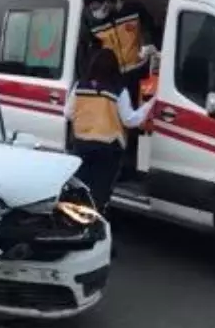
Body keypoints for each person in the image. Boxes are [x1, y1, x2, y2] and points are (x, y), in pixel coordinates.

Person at [64, 48, 156, 216]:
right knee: (99, 194)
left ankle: (77, 224)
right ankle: (96, 225)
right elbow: (130, 120)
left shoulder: (79, 86)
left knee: (81, 190)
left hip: (82, 145)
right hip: (108, 150)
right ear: (114, 68)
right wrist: (150, 105)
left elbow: (68, 113)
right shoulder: (119, 90)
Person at [83, 0, 161, 105]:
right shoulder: (94, 25)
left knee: (144, 109)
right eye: (92, 9)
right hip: (115, 78)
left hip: (142, 72)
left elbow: (152, 29)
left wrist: (149, 43)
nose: (95, 12)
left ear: (107, 2)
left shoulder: (134, 10)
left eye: (96, 7)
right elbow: (94, 53)